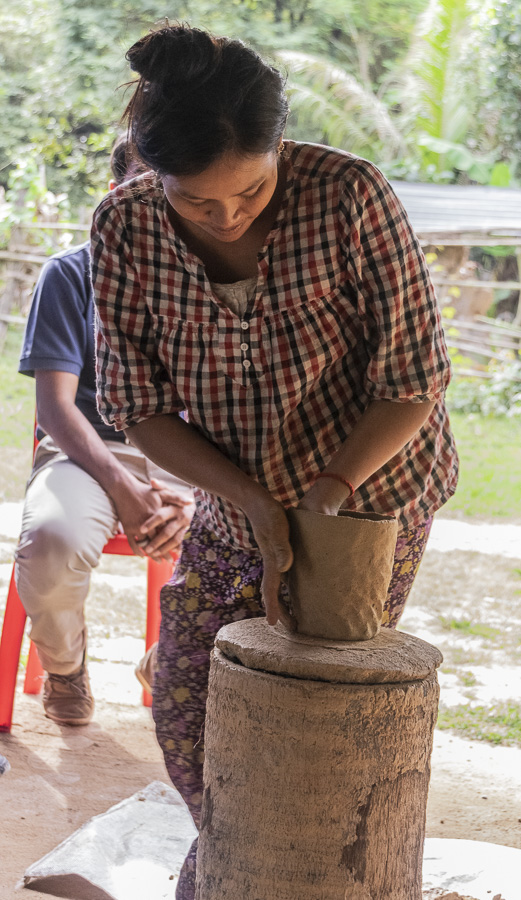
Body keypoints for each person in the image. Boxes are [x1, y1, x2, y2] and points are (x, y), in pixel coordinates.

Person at [91, 24, 459, 898]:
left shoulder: (349, 195)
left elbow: (413, 381)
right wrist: (253, 502)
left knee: (310, 688)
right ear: (152, 172)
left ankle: (272, 874)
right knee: (185, 696)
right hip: (230, 497)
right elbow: (136, 405)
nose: (227, 216)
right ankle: (236, 859)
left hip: (371, 495)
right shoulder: (126, 227)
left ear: (279, 145)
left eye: (251, 191)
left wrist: (327, 491)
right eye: (196, 202)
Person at [16, 135, 194, 727]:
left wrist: (196, 496)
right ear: (115, 192)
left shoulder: (209, 279)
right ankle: (66, 667)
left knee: (272, 545)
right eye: (144, 189)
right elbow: (56, 407)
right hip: (90, 452)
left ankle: (172, 660)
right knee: (51, 540)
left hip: (197, 460)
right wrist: (123, 487)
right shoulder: (69, 275)